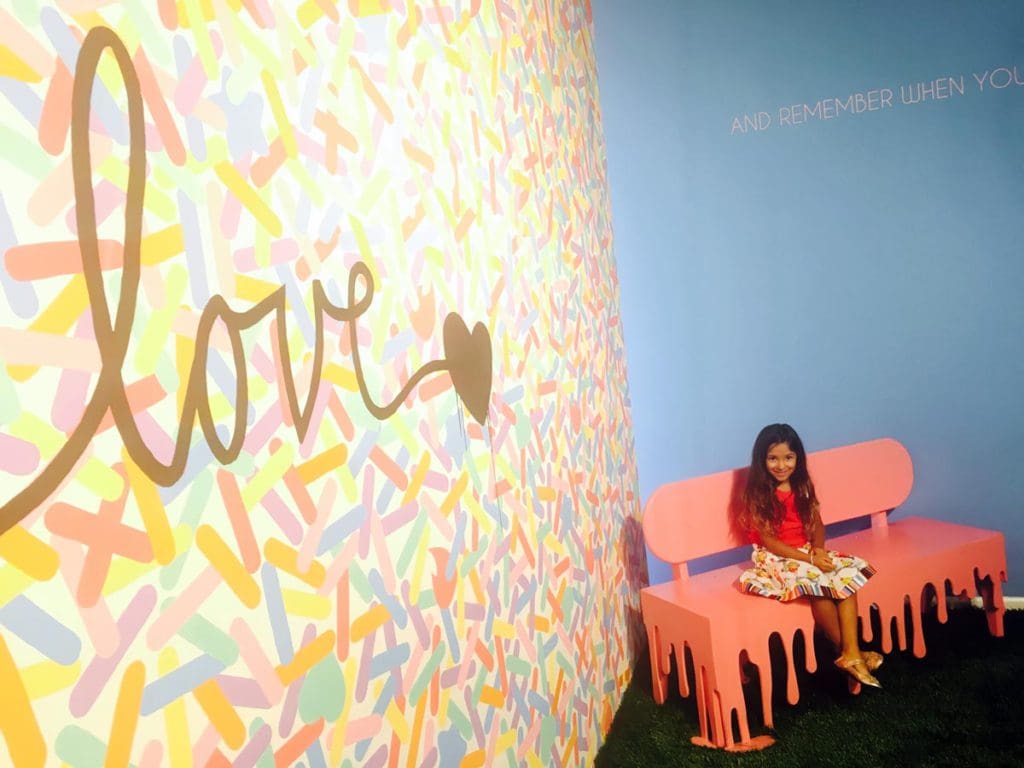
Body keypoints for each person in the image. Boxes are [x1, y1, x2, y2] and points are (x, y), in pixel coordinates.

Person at [737, 423, 883, 688]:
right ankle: (852, 654)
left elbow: (816, 523)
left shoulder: (802, 486)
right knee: (819, 586)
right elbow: (770, 542)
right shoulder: (758, 494)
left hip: (806, 551)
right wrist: (810, 560)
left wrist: (818, 549)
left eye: (788, 458)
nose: (781, 465)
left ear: (798, 458)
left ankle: (851, 653)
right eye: (773, 458)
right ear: (762, 460)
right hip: (776, 556)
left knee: (846, 578)